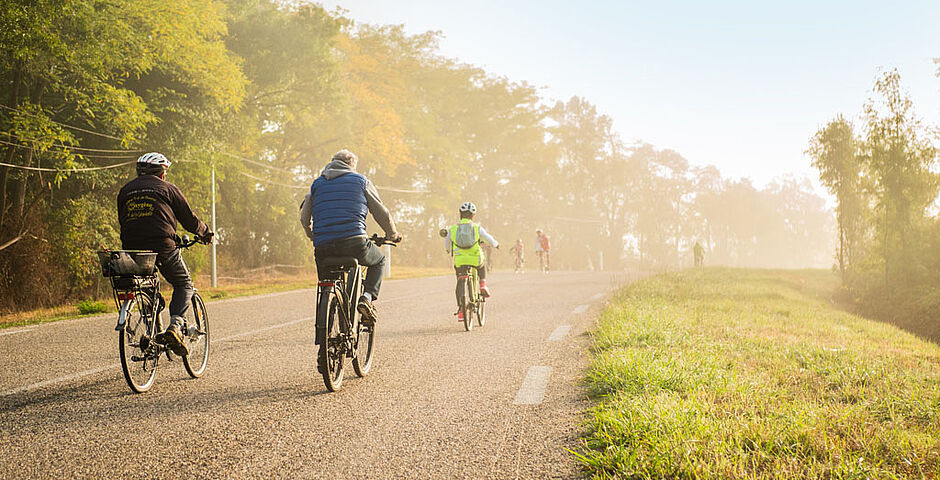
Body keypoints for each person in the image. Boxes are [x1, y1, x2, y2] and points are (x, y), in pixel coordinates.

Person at [117, 152, 213, 356]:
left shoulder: (125, 191)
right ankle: (175, 327)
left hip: (132, 249)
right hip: (162, 246)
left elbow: (126, 221)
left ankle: (151, 326)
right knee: (183, 283)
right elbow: (189, 220)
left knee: (148, 286)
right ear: (162, 173)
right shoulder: (168, 189)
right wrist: (205, 232)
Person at [299, 149, 402, 325]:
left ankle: (325, 329)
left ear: (332, 163)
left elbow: (303, 217)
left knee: (326, 284)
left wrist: (312, 235)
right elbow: (381, 213)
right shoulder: (361, 181)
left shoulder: (317, 184)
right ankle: (367, 298)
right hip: (354, 242)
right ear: (351, 166)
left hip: (323, 246)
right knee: (379, 261)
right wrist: (392, 235)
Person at [445, 202, 499, 323]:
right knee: (481, 265)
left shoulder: (453, 229)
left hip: (459, 260)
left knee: (460, 280)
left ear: (460, 214)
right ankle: (483, 284)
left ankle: (460, 310)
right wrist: (495, 244)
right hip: (475, 258)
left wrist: (448, 250)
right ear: (473, 216)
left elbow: (447, 244)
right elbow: (488, 238)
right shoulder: (476, 227)